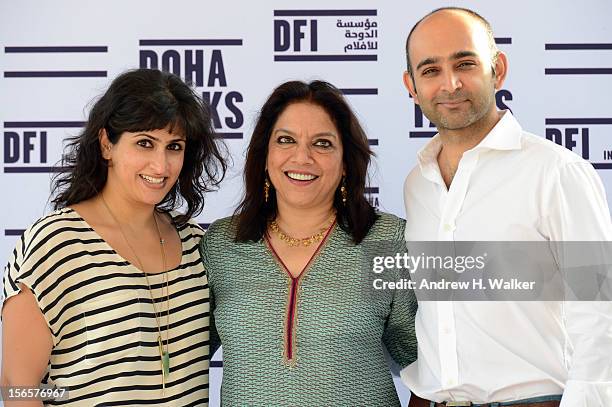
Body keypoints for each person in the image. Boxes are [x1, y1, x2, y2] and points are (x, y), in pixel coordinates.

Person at [401, 7, 612, 407]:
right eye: (430, 71)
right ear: (411, 85)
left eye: (465, 63)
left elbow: (601, 313)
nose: (451, 83)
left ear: (497, 68)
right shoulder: (418, 184)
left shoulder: (556, 172)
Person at [1, 69, 226, 406]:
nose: (161, 165)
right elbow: (18, 388)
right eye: (145, 143)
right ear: (107, 144)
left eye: (174, 147)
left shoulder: (196, 244)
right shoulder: (55, 244)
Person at [200, 80, 417, 406]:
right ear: (265, 155)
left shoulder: (387, 239)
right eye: (285, 140)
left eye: (323, 144)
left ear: (345, 162)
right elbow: (184, 359)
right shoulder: (221, 244)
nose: (302, 156)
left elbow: (427, 365)